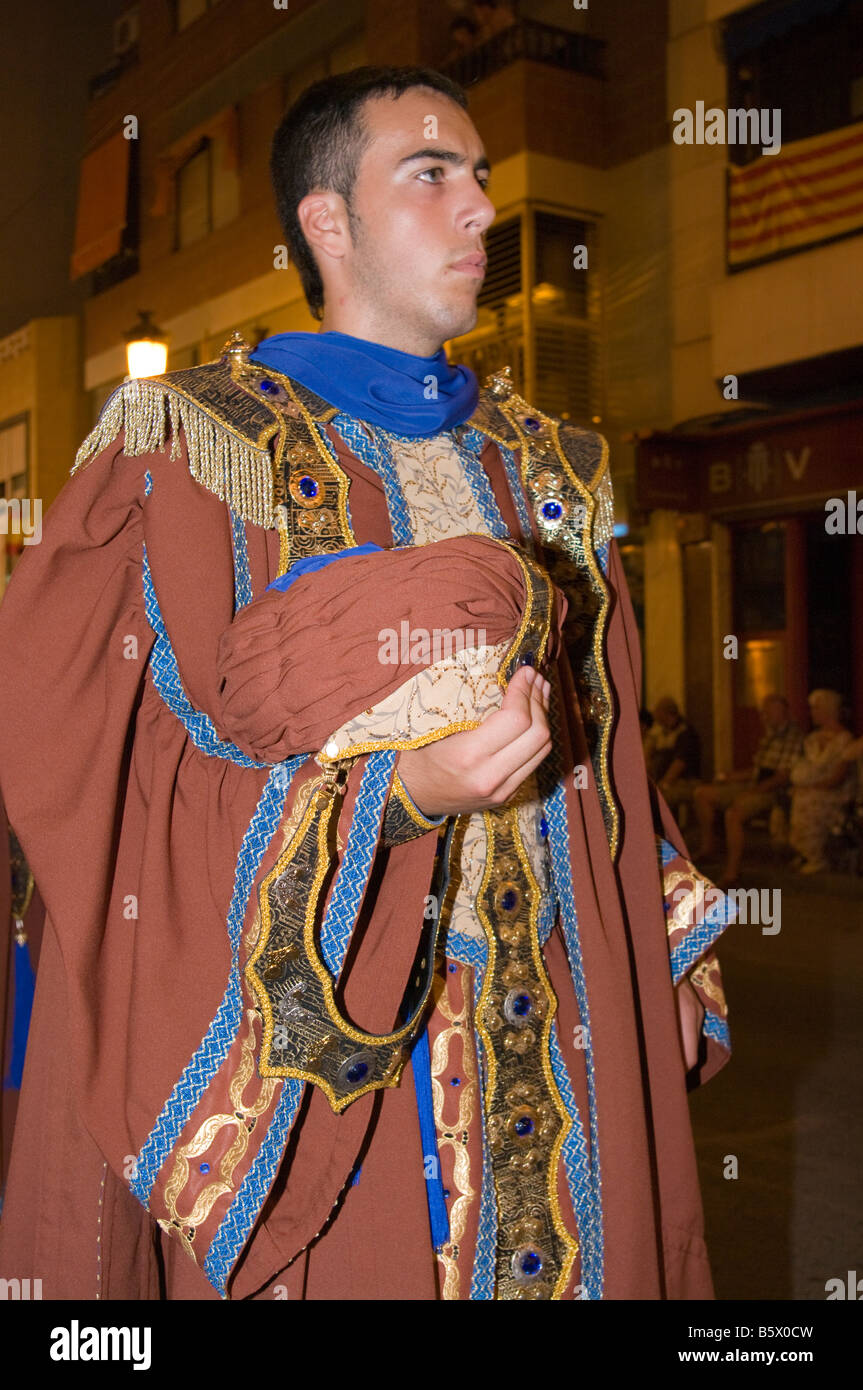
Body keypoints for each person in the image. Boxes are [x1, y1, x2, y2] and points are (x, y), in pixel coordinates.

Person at [0, 65, 732, 1302]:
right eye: (430, 173)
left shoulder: (552, 466)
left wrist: (666, 956)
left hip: (565, 1009)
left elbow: (615, 763)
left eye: (483, 179)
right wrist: (395, 798)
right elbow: (115, 781)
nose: (479, 212)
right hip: (345, 1050)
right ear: (324, 221)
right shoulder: (186, 448)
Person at [693, 694, 803, 883]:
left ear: (782, 712)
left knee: (734, 813)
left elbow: (783, 776)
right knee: (702, 794)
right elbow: (757, 770)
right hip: (755, 784)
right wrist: (730, 777)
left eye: (768, 712)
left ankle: (732, 872)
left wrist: (754, 791)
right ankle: (708, 847)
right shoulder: (770, 735)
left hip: (773, 791)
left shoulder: (794, 737)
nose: (765, 716)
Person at [789, 689, 856, 874]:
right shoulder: (812, 739)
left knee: (808, 801)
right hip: (812, 788)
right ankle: (805, 852)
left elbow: (838, 777)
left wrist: (812, 788)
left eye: (816, 709)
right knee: (799, 799)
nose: (812, 713)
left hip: (835, 793)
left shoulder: (844, 740)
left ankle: (816, 857)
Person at [647, 696, 701, 818]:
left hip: (685, 782)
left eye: (657, 711)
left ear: (665, 713)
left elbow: (679, 763)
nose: (655, 715)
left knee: (657, 800)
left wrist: (663, 784)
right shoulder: (663, 732)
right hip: (664, 782)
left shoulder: (685, 733)